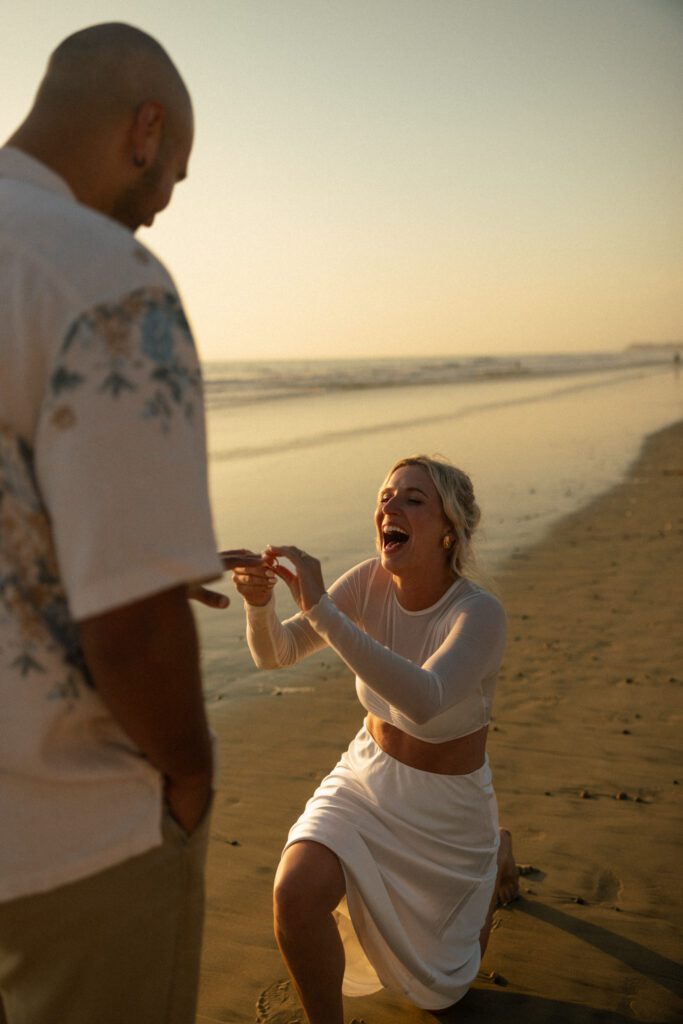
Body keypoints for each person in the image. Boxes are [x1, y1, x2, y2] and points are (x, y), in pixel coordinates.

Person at [0, 23, 260, 1024]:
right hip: (69, 831)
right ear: (144, 130)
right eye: (175, 177)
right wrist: (188, 775)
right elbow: (132, 626)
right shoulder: (105, 276)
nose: (159, 209)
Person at [231, 455, 518, 1023]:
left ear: (448, 530)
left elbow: (426, 699)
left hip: (445, 811)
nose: (392, 505)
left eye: (414, 498)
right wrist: (260, 605)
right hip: (367, 778)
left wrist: (318, 607)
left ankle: (494, 858)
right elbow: (277, 653)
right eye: (387, 495)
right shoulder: (368, 580)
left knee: (443, 991)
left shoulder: (480, 614)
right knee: (295, 892)